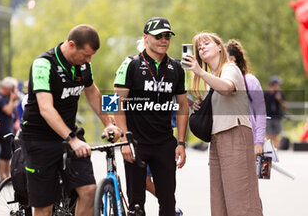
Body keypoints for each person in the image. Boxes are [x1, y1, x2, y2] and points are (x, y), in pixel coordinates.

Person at [19, 24, 121, 216]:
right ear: (72, 45)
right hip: (39, 140)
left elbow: (93, 93)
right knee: (44, 207)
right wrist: (72, 139)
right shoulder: (43, 64)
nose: (88, 60)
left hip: (70, 135)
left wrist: (108, 122)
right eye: (86, 55)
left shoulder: (83, 65)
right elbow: (46, 108)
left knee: (89, 192)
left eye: (91, 56)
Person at [114, 16, 189, 216]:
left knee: (167, 201)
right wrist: (123, 140)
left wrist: (181, 142)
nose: (163, 40)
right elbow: (117, 104)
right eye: (158, 36)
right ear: (146, 38)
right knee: (136, 205)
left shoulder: (176, 68)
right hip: (136, 143)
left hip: (164, 143)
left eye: (167, 36)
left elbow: (183, 106)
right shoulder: (130, 64)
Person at [182, 32, 262, 216]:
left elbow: (227, 88)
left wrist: (199, 71)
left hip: (235, 135)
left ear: (220, 47)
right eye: (198, 46)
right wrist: (196, 106)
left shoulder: (230, 67)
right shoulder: (212, 78)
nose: (201, 47)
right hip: (218, 139)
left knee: (241, 201)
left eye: (206, 43)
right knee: (220, 202)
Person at [226, 39, 267, 156]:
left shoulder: (249, 81)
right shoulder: (216, 82)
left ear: (232, 59)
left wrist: (258, 142)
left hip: (248, 141)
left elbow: (260, 112)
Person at [0, 76, 19, 181]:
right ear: (8, 88)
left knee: (7, 153)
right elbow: (8, 110)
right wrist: (12, 99)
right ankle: (2, 176)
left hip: (7, 128)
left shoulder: (3, 97)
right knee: (4, 153)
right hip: (2, 129)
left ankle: (7, 176)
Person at [264, 75, 286, 149]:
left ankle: (276, 151)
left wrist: (279, 99)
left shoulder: (280, 93)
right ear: (274, 84)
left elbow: (285, 106)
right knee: (268, 135)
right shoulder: (266, 93)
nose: (279, 86)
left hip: (277, 117)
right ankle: (268, 151)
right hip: (268, 117)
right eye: (278, 84)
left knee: (276, 136)